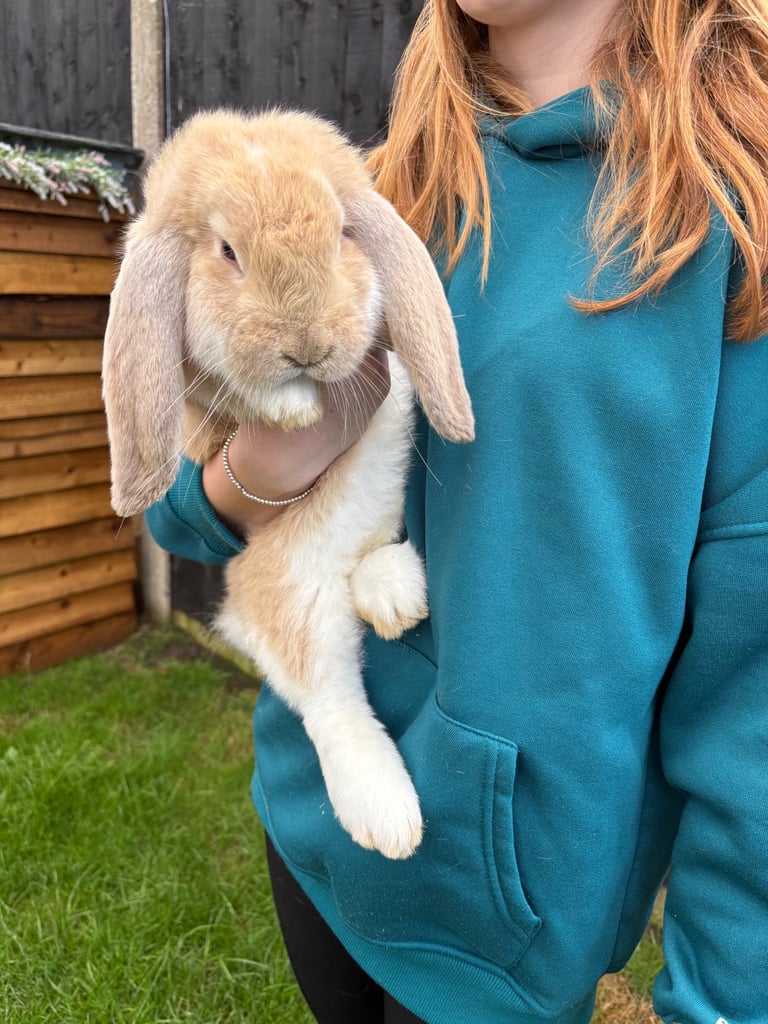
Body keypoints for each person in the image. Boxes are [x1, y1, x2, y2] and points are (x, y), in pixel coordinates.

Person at [144, 1, 768, 1021]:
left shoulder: (728, 206)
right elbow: (185, 514)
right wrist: (259, 463)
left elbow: (756, 705)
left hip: (505, 924)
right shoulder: (376, 190)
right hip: (317, 802)